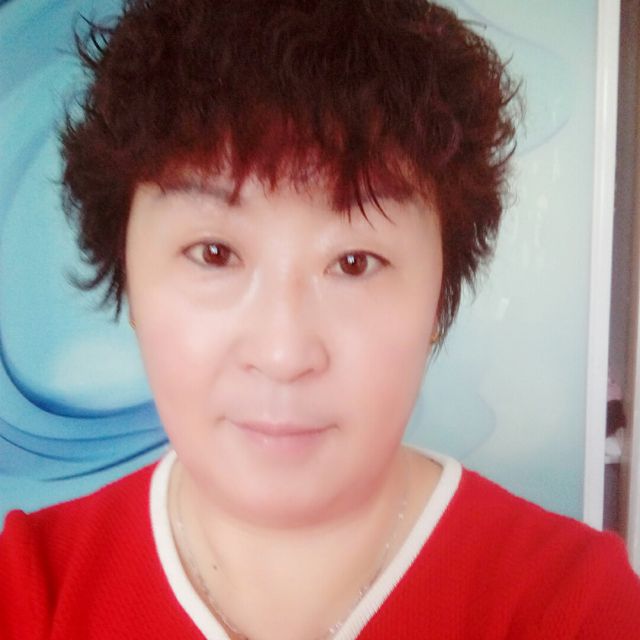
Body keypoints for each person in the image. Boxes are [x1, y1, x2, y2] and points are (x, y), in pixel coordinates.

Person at [1, 0, 639, 638]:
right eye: (215, 253)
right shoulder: (32, 591)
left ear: (439, 296)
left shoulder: (572, 605)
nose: (283, 353)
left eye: (355, 262)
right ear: (130, 274)